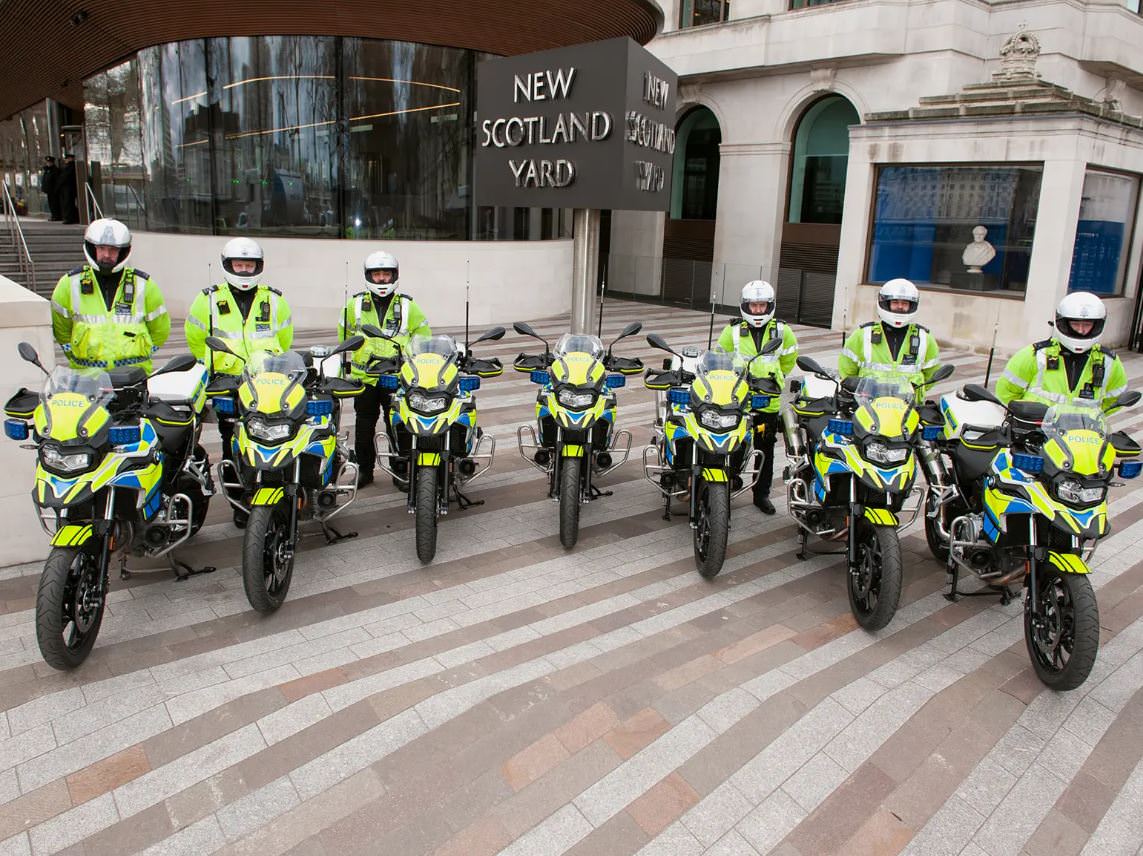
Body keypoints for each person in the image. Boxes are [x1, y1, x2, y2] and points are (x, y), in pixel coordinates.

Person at [185, 238, 293, 524]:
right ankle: (238, 502)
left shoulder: (274, 299)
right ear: (228, 265)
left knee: (268, 437)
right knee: (231, 440)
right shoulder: (207, 300)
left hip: (265, 383)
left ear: (258, 267)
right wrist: (218, 365)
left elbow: (285, 341)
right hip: (228, 384)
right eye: (239, 265)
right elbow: (196, 341)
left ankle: (271, 492)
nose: (244, 271)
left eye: (249, 265)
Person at [338, 251, 429, 488]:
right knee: (364, 427)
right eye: (376, 274)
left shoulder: (408, 306)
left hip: (396, 378)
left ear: (394, 276)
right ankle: (365, 472)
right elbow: (344, 338)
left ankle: (401, 471)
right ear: (369, 276)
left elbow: (423, 338)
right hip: (364, 379)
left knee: (398, 425)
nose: (381, 279)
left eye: (385, 274)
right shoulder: (354, 304)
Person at [717, 280, 798, 514]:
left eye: (763, 306)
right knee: (732, 446)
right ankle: (726, 488)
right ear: (745, 306)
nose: (758, 310)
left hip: (768, 402)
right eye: (754, 306)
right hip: (737, 400)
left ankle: (761, 495)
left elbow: (788, 361)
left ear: (770, 306)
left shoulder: (783, 331)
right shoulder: (731, 331)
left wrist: (775, 378)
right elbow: (720, 360)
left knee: (766, 450)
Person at [49, 218, 170, 372]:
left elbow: (161, 329)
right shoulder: (69, 284)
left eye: (113, 249)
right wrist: (77, 356)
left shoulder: (144, 285)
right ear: (93, 248)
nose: (107, 254)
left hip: (133, 377)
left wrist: (140, 355)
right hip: (87, 378)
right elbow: (61, 329)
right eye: (102, 248)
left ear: (123, 251)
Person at [996, 291, 1127, 410]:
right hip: (1037, 431)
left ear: (1097, 325)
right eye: (1075, 324)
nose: (1081, 330)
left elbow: (1114, 401)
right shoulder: (1034, 354)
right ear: (1062, 323)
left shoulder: (1109, 361)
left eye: (1087, 324)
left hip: (1083, 433)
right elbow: (1006, 392)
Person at [838, 278, 941, 392]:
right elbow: (847, 371)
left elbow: (932, 375)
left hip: (909, 405)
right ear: (885, 304)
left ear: (912, 306)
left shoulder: (924, 338)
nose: (900, 307)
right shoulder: (862, 334)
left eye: (905, 303)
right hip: (869, 403)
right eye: (895, 302)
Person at [58, 153, 79, 224]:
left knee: (69, 203)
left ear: (70, 159)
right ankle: (68, 217)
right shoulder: (67, 167)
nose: (65, 160)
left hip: (69, 188)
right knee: (67, 203)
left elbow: (65, 177)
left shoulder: (71, 167)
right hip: (66, 188)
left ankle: (69, 218)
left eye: (67, 159)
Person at [40, 156, 60, 221]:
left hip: (53, 190)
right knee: (51, 204)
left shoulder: (55, 170)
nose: (48, 164)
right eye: (47, 162)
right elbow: (45, 179)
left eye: (49, 162)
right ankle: (53, 215)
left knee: (55, 204)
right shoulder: (47, 170)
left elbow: (56, 181)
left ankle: (56, 216)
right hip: (49, 190)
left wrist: (55, 189)